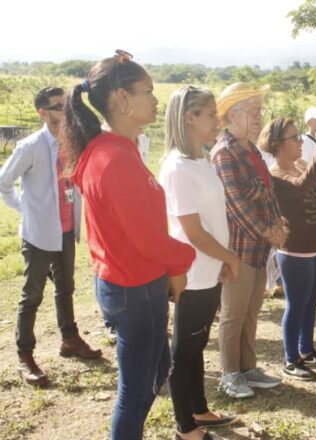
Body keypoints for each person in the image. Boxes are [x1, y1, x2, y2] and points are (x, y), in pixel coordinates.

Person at [63, 51, 196, 440]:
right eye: (148, 91)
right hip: (131, 287)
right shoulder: (113, 157)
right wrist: (185, 258)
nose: (156, 99)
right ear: (122, 98)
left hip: (137, 281)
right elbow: (146, 239)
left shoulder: (117, 149)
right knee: (135, 388)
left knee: (155, 370)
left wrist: (171, 268)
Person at [0, 86, 101, 387]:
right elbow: (4, 183)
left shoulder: (73, 141)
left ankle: (70, 339)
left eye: (66, 106)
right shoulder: (30, 146)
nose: (64, 112)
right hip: (39, 234)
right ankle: (25, 356)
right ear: (42, 113)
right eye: (58, 107)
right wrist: (25, 209)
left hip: (66, 230)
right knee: (32, 295)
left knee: (66, 287)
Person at [159, 86, 243, 439]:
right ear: (190, 117)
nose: (216, 120)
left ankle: (199, 410)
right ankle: (185, 427)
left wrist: (223, 259)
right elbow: (192, 231)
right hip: (191, 272)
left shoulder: (200, 159)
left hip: (209, 267)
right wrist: (230, 257)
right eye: (210, 114)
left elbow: (210, 221)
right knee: (184, 350)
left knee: (196, 345)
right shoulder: (178, 167)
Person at [212, 82, 285, 398]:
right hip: (239, 249)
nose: (259, 118)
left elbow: (267, 192)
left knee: (251, 310)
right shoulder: (224, 152)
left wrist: (278, 222)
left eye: (259, 111)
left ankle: (247, 367)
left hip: (259, 247)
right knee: (233, 314)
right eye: (253, 111)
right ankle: (229, 373)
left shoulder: (252, 149)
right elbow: (235, 203)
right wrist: (268, 230)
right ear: (232, 115)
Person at [261, 118, 316, 379]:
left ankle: (307, 350)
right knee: (296, 305)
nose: (299, 142)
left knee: (311, 303)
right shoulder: (276, 175)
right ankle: (291, 358)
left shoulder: (300, 166)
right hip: (295, 252)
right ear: (278, 145)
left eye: (298, 137)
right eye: (294, 138)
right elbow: (300, 188)